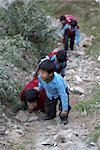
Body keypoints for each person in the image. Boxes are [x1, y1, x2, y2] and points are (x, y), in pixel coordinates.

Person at [38, 59, 71, 124]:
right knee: (49, 105)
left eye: (43, 72)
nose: (40, 74)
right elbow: (41, 83)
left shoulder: (58, 82)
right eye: (40, 72)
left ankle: (64, 117)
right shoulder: (41, 77)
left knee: (63, 105)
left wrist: (65, 109)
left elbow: (63, 95)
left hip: (62, 91)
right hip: (50, 93)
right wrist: (39, 88)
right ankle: (51, 115)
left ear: (50, 74)